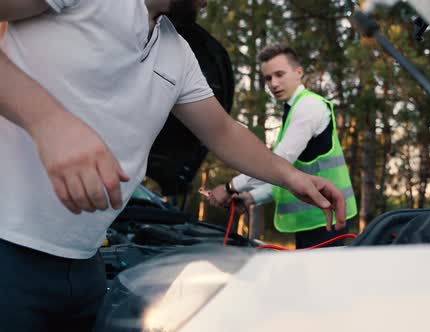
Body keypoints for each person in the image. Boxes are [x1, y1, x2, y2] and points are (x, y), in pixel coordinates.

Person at [0, 1, 346, 331]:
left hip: (85, 264)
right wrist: (46, 120)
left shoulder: (177, 53)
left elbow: (222, 131)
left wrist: (292, 177)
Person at [207, 44, 357, 249]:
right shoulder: (293, 111)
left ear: (299, 72)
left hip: (327, 224)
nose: (274, 83)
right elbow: (286, 176)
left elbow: (277, 163)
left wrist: (229, 187)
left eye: (279, 74)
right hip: (314, 223)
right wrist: (250, 198)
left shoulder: (308, 107)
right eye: (268, 78)